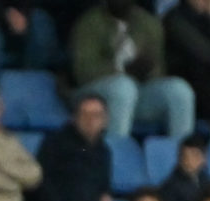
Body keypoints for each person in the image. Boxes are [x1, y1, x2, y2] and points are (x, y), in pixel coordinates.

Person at [70, 0, 196, 139]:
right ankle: (116, 149)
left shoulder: (148, 23)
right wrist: (122, 70)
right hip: (95, 95)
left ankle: (184, 150)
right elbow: (83, 72)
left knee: (180, 90)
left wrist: (147, 70)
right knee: (124, 87)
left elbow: (159, 70)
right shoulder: (89, 23)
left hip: (137, 93)